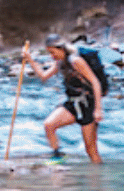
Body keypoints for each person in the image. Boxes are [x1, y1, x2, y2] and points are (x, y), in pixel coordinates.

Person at [23, 36, 104, 164]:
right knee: (49, 125)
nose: (51, 56)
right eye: (49, 53)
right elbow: (44, 76)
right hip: (72, 103)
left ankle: (98, 180)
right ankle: (57, 155)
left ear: (61, 49)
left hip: (87, 105)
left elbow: (95, 82)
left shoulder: (76, 61)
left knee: (91, 150)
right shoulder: (60, 62)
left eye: (52, 52)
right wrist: (29, 59)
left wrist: (98, 109)